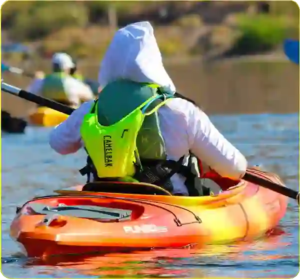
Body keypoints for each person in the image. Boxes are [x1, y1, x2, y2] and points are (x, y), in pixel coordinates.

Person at [49, 21, 247, 196]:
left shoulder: (91, 110)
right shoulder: (181, 110)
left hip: (107, 200)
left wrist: (81, 120)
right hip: (169, 206)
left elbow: (58, 143)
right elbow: (235, 168)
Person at [27, 52, 94, 107]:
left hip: (48, 119)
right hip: (68, 118)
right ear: (67, 68)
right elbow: (90, 97)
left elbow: (28, 95)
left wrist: (36, 80)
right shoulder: (74, 83)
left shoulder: (41, 82)